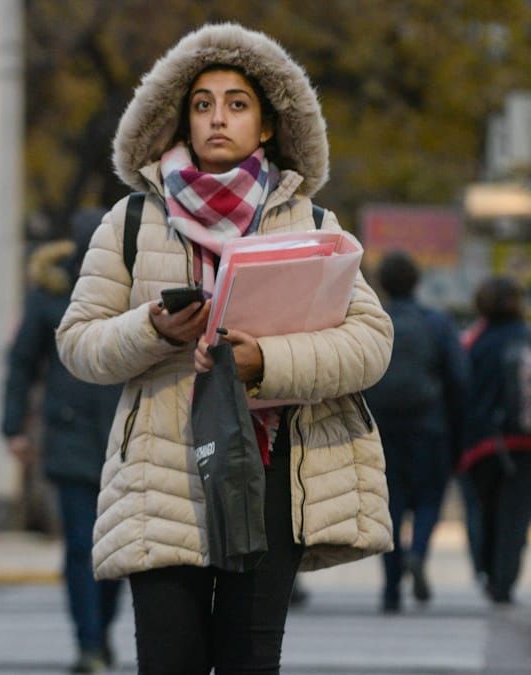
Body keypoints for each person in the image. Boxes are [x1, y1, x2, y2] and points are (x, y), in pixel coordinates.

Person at [56, 23, 394, 675]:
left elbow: (372, 343)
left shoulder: (314, 223)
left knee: (249, 660)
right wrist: (152, 330)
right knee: (169, 660)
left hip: (272, 471)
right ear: (181, 119)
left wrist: (265, 362)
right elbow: (78, 342)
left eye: (238, 104)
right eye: (203, 104)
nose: (219, 118)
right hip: (162, 474)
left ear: (266, 125)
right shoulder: (130, 221)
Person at [3, 209, 124, 674]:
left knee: (116, 551)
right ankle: (88, 643)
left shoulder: (135, 293)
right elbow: (20, 364)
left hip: (124, 438)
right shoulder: (49, 299)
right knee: (79, 544)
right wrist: (13, 427)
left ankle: (102, 628)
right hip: (70, 435)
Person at [362, 251, 467, 613]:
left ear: (383, 285)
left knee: (388, 505)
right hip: (428, 425)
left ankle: (390, 590)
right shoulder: (437, 322)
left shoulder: (372, 321)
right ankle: (418, 552)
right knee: (428, 498)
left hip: (380, 427)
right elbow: (458, 377)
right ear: (417, 282)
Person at [458, 276, 531, 605]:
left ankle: (487, 573)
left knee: (483, 511)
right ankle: (506, 582)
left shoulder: (477, 342)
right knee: (518, 513)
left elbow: (464, 393)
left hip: (484, 444)